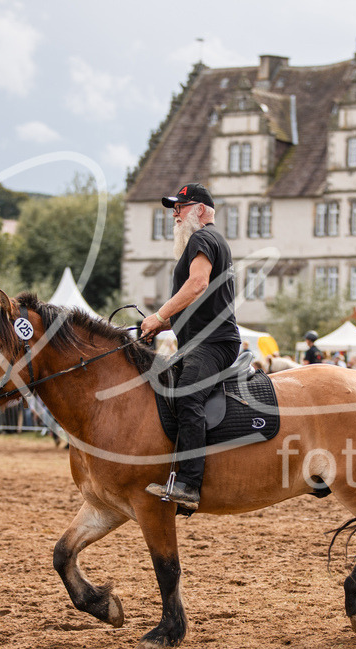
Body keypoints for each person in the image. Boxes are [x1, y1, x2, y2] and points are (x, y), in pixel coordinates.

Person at [141, 183, 241, 510]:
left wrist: (159, 314)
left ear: (199, 210)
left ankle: (189, 485)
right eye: (174, 208)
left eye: (180, 207)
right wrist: (161, 322)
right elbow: (198, 303)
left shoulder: (202, 238)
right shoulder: (207, 241)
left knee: (186, 395)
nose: (175, 214)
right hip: (199, 342)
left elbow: (197, 284)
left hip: (213, 344)